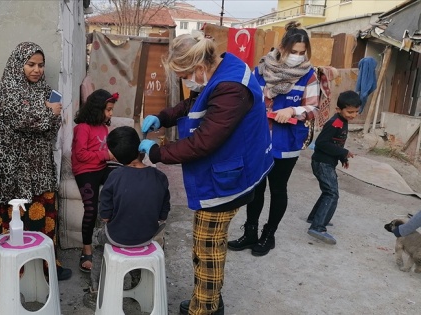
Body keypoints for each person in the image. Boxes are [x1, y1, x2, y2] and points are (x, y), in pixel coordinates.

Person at [139, 32, 273, 315]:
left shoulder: (231, 88)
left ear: (199, 65)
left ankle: (204, 308)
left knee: (207, 247)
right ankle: (212, 299)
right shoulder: (223, 68)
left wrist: (157, 153)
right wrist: (163, 117)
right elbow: (196, 104)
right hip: (233, 164)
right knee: (210, 243)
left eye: (186, 73)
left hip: (232, 176)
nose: (186, 80)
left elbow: (204, 142)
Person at [227, 21, 319, 257]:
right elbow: (247, 97)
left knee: (278, 189)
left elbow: (313, 108)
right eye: (293, 52)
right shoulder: (261, 69)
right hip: (259, 138)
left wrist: (294, 111)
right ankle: (250, 233)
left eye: (302, 53)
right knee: (256, 188)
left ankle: (269, 235)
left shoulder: (309, 76)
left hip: (286, 142)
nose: (297, 57)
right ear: (282, 47)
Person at [0, 42, 72, 280]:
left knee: (41, 217)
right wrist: (48, 114)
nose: (37, 70)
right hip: (11, 171)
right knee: (14, 221)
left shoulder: (44, 91)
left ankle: (44, 269)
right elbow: (25, 120)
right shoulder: (8, 90)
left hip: (38, 167)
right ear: (18, 64)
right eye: (31, 64)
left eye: (41, 65)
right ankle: (11, 275)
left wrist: (47, 115)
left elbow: (51, 126)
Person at [88, 126, 170, 293]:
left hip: (117, 237)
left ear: (116, 157)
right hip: (148, 237)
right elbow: (163, 215)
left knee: (97, 242)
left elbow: (105, 217)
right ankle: (137, 280)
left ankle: (96, 288)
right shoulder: (160, 177)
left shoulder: (115, 177)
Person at [71, 89, 119, 273]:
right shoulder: (82, 128)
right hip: (85, 171)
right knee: (91, 209)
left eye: (111, 110)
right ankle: (86, 249)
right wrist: (105, 154)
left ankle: (118, 237)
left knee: (124, 180)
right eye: (108, 110)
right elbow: (81, 155)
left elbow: (104, 151)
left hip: (101, 167)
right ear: (96, 109)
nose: (110, 114)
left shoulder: (103, 127)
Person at [306, 91, 360, 244]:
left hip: (328, 162)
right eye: (350, 112)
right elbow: (322, 143)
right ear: (338, 110)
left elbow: (335, 143)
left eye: (356, 111)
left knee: (328, 191)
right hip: (322, 163)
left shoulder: (343, 122)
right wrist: (343, 152)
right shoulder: (335, 123)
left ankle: (314, 218)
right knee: (332, 193)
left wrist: (342, 157)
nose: (353, 115)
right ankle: (318, 227)